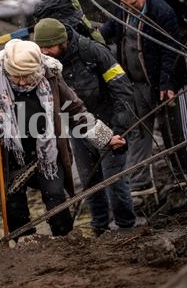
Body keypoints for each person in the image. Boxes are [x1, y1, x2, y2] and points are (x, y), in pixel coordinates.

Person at [0, 38, 126, 238]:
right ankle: (24, 246)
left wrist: (106, 138)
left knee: (55, 196)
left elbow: (75, 109)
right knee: (13, 203)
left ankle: (66, 241)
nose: (22, 82)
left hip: (47, 149)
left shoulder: (50, 75)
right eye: (16, 76)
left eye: (27, 76)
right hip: (8, 150)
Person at [33, 18, 136, 235]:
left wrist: (119, 128)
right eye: (40, 48)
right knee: (90, 182)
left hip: (108, 123)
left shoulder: (94, 53)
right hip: (78, 128)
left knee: (114, 180)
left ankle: (127, 228)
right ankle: (99, 228)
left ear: (62, 41)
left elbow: (122, 90)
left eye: (48, 47)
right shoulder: (46, 62)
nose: (45, 52)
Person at [100, 0, 187, 193]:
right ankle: (141, 183)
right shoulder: (123, 9)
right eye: (125, 5)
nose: (129, 8)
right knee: (139, 131)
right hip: (137, 84)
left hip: (164, 81)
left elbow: (171, 51)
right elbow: (109, 29)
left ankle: (184, 174)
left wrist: (166, 84)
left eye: (133, 3)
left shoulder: (162, 12)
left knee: (174, 130)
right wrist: (93, 39)